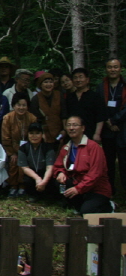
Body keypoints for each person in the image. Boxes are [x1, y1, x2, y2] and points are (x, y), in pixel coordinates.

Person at [53, 115, 113, 214]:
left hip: (95, 189)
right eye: (69, 125)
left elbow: (95, 173)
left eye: (75, 125)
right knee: (59, 182)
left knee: (86, 212)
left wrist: (79, 188)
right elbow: (58, 166)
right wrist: (60, 173)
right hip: (77, 185)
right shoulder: (66, 147)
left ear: (83, 128)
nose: (71, 128)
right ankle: (78, 204)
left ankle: (108, 206)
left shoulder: (93, 147)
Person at [96, 58, 126, 194]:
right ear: (106, 69)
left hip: (123, 128)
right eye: (109, 67)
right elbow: (99, 106)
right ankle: (109, 190)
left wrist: (115, 120)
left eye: (115, 67)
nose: (112, 70)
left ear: (120, 69)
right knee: (108, 161)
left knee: (124, 161)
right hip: (107, 129)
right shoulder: (101, 86)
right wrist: (108, 121)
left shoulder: (125, 85)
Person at [2, 92, 37, 197]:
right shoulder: (7, 118)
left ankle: (22, 187)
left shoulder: (32, 118)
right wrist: (12, 153)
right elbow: (5, 137)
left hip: (27, 148)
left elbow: (34, 136)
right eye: (19, 105)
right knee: (14, 162)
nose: (21, 108)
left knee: (24, 162)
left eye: (24, 105)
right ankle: (13, 186)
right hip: (13, 148)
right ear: (13, 106)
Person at [18, 122, 57, 202]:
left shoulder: (48, 148)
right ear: (28, 134)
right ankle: (33, 195)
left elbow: (50, 167)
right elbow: (25, 168)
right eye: (31, 133)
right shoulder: (23, 148)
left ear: (42, 134)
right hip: (32, 175)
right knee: (27, 180)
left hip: (45, 174)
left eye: (37, 133)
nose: (34, 136)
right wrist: (37, 178)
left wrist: (44, 182)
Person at [65, 68, 105, 143]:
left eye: (81, 77)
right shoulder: (70, 97)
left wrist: (97, 134)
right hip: (72, 135)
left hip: (90, 134)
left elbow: (100, 117)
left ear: (87, 80)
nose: (78, 80)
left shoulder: (95, 96)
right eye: (75, 77)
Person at [30, 72, 67, 147]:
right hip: (44, 132)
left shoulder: (59, 95)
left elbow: (64, 113)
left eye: (51, 82)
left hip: (59, 130)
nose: (48, 84)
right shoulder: (36, 98)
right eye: (46, 82)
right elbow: (34, 119)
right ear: (41, 84)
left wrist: (65, 129)